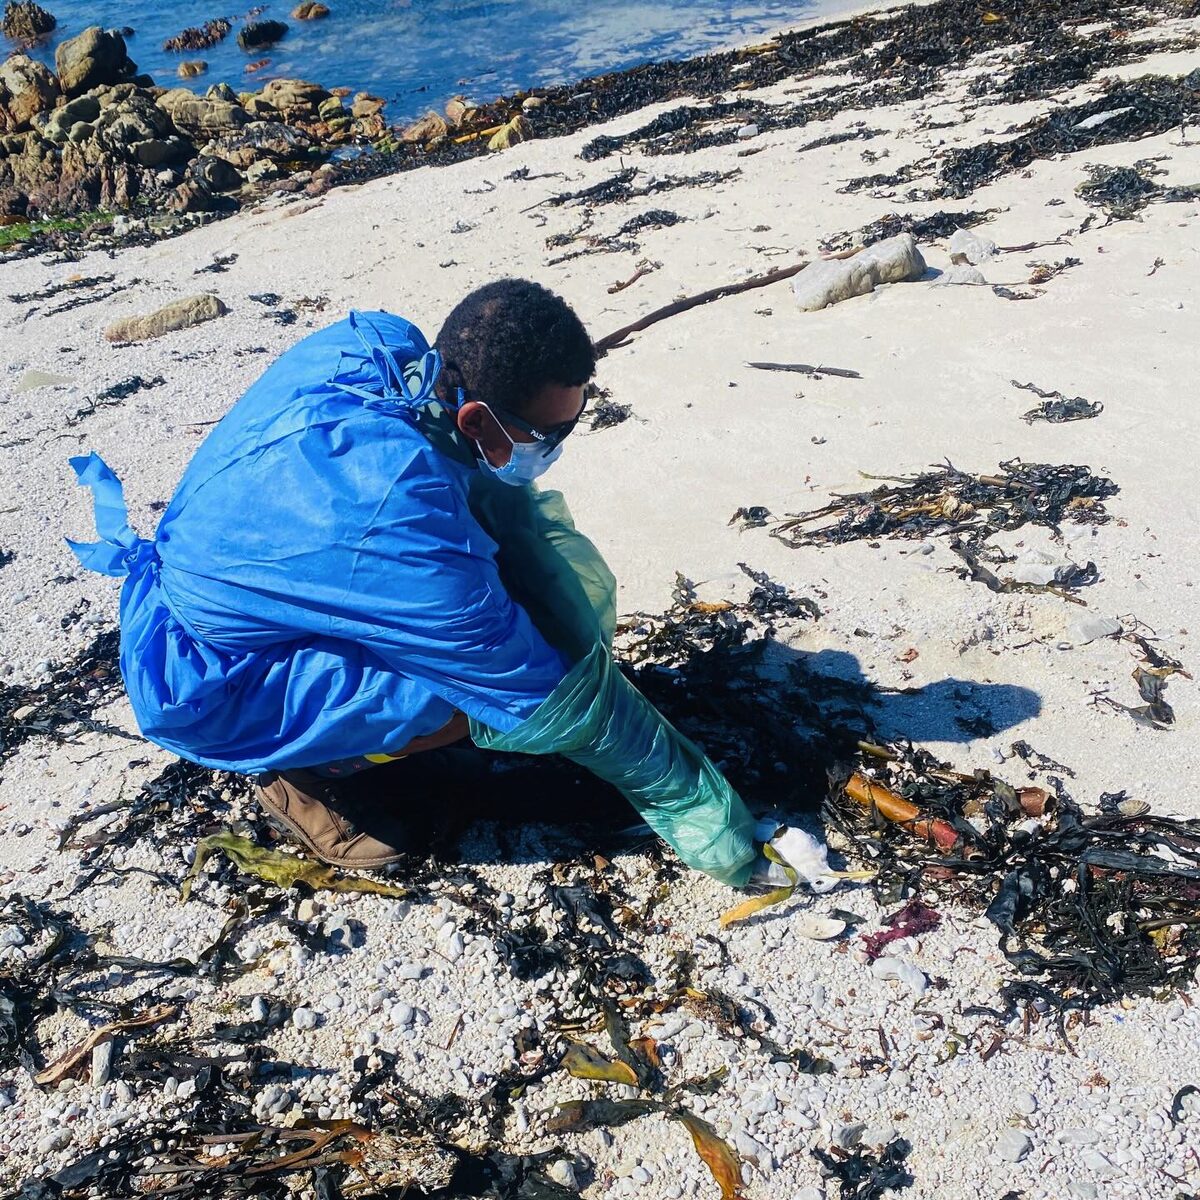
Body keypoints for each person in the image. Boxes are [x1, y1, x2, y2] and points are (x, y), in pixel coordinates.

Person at [66, 279, 758, 885]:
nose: (553, 449)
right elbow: (545, 698)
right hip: (208, 682)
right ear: (476, 419)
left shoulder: (382, 349)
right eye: (546, 436)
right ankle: (303, 778)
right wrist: (706, 818)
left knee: (505, 611)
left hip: (241, 601)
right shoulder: (396, 517)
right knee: (454, 699)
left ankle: (340, 734)